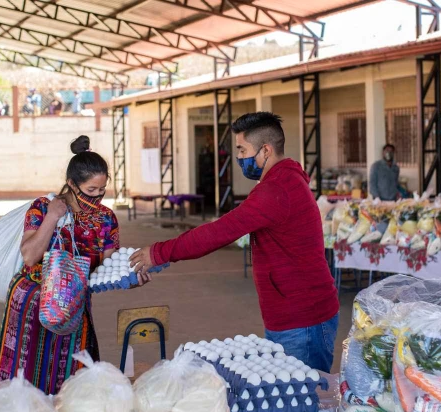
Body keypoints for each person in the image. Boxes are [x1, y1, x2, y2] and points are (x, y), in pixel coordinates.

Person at [130, 112, 340, 371]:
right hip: (296, 313)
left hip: (302, 321)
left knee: (307, 400)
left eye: (242, 149)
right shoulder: (285, 179)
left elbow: (217, 233)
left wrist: (159, 253)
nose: (238, 157)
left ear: (265, 150)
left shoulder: (275, 190)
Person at [0, 135, 151, 394]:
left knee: (75, 380)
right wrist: (53, 217)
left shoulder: (106, 219)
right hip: (33, 304)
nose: (97, 198)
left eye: (102, 191)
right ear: (71, 184)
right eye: (91, 191)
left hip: (75, 308)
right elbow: (30, 256)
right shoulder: (43, 207)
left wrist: (131, 277)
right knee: (26, 377)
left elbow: (108, 268)